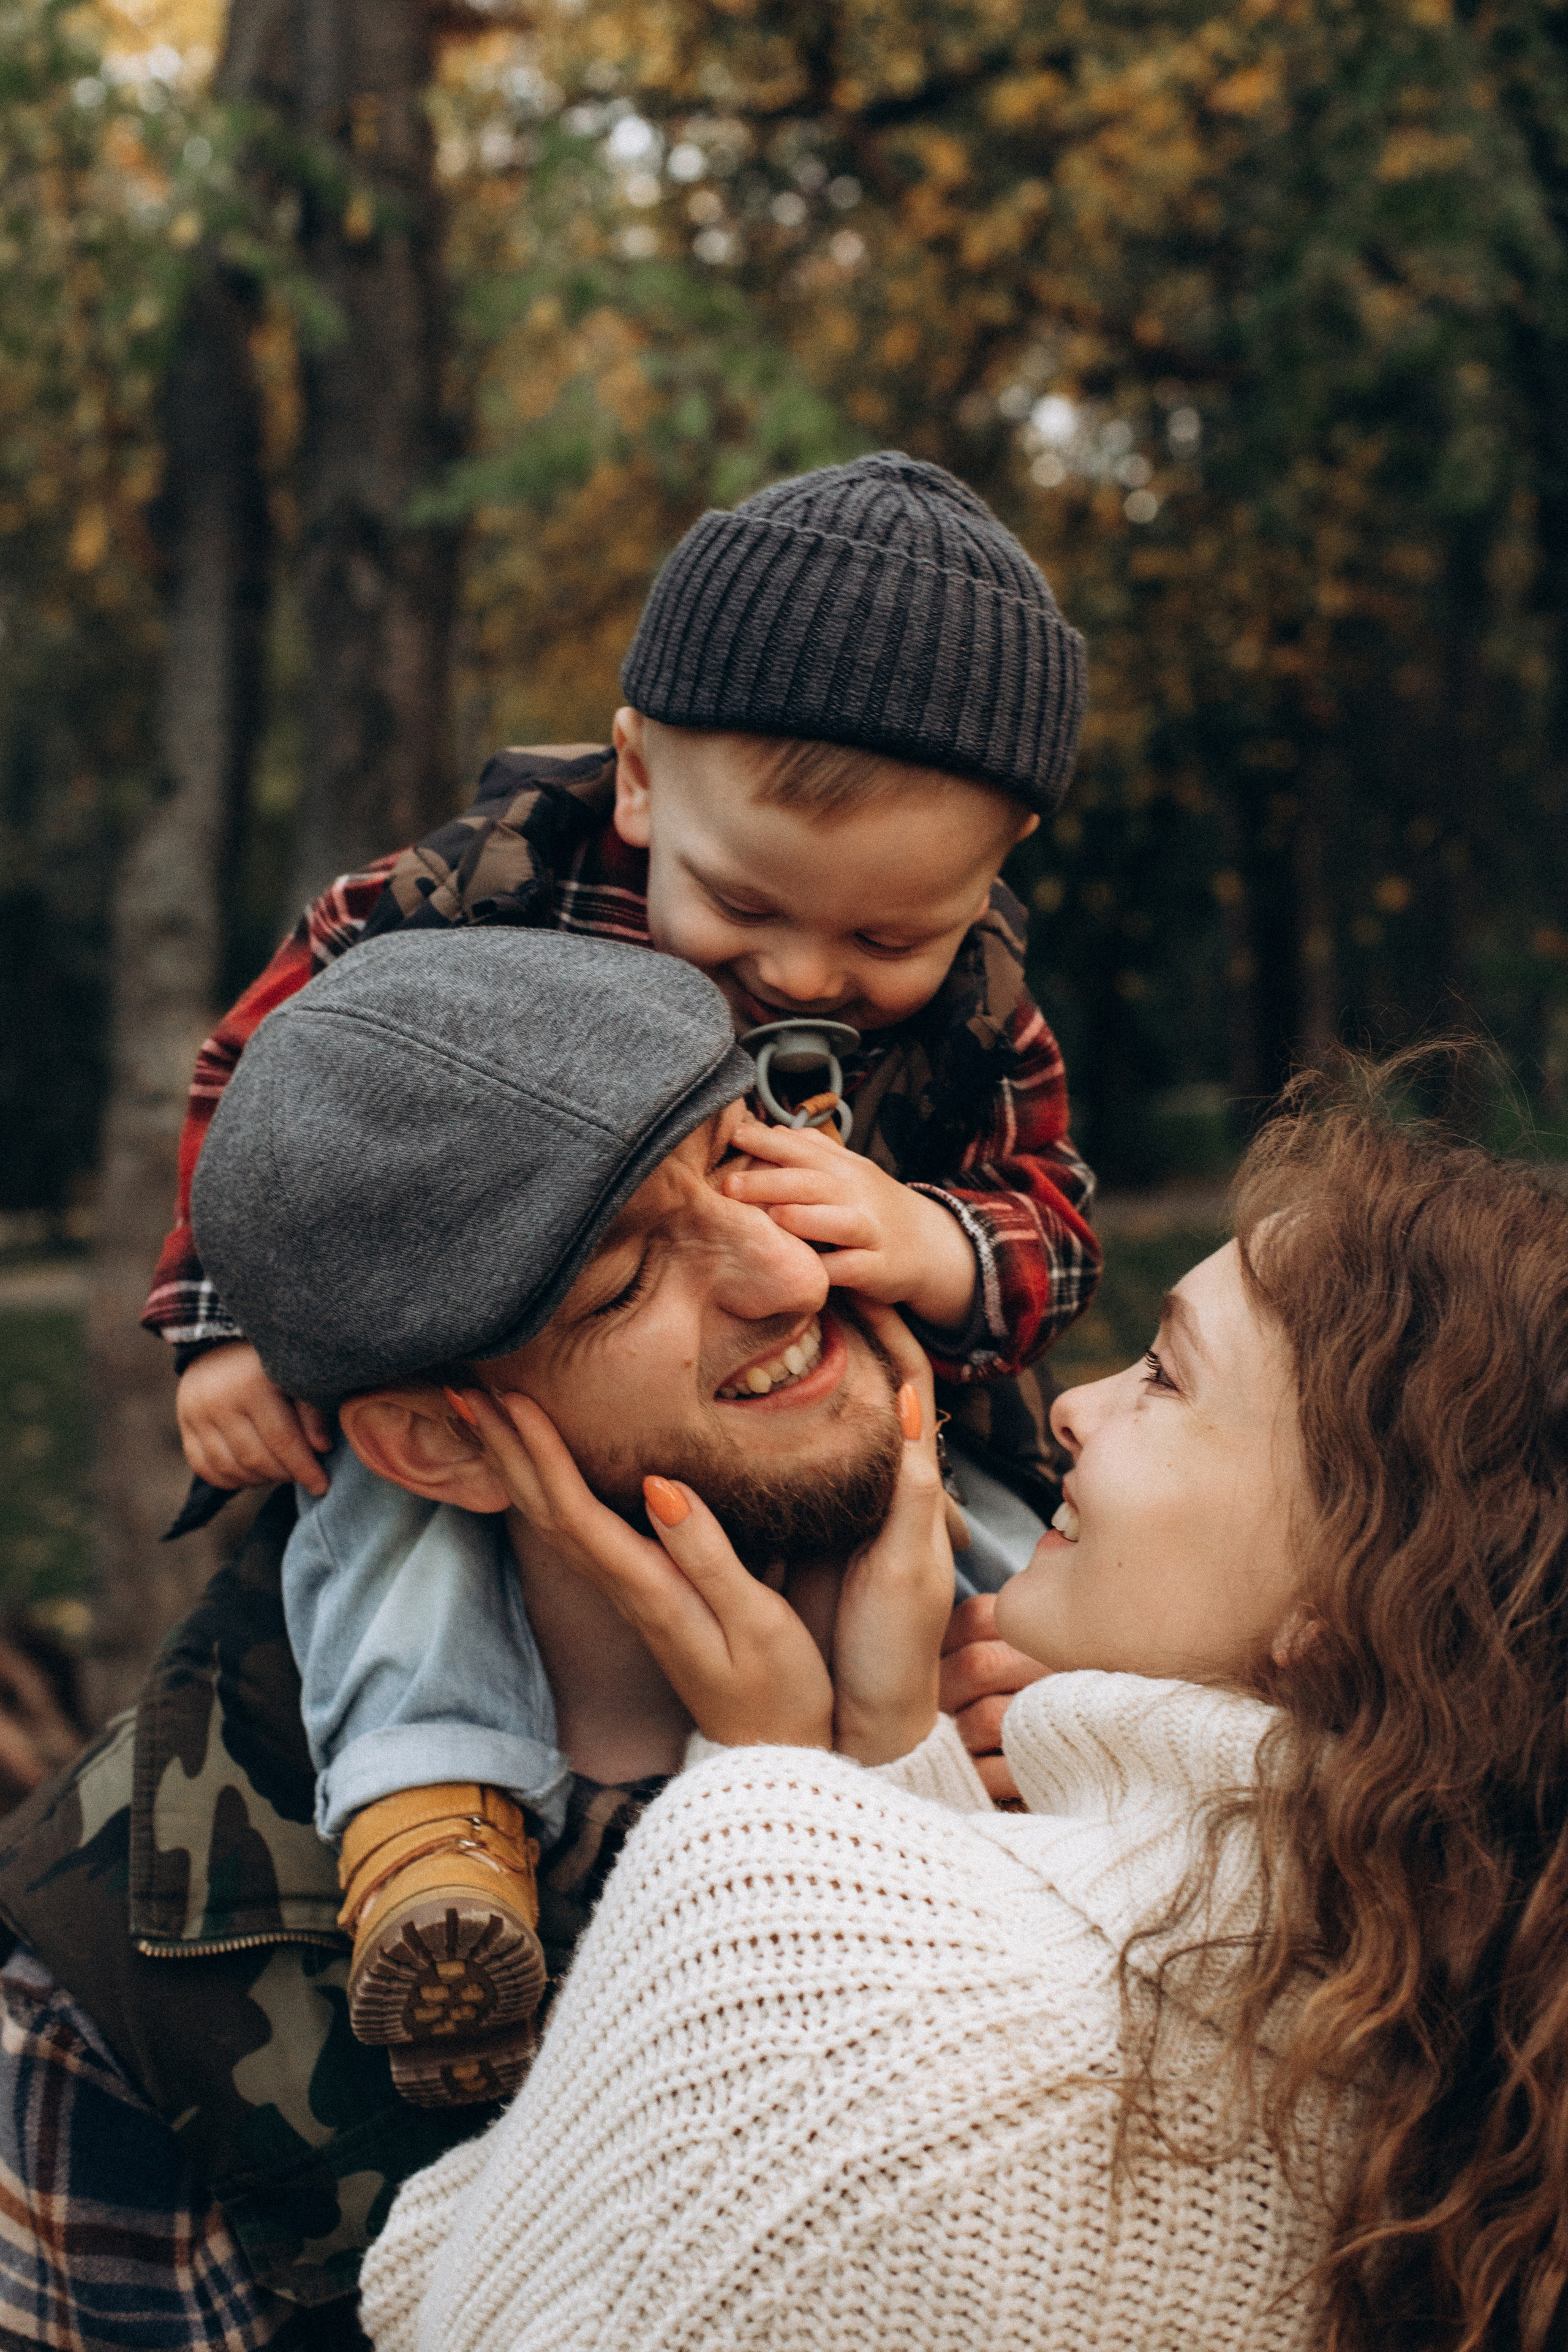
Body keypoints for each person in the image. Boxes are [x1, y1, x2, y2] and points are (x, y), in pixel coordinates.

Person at [146, 451, 1101, 2094]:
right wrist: (228, 1323)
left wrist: (938, 1240)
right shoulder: (479, 888)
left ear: (994, 866)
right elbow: (269, 1089)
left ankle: (1067, 1760)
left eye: (889, 944)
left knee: (1029, 1563)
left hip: (882, 1383)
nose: (810, 974)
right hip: (485, 1374)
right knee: (395, 1486)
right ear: (642, 779)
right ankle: (428, 1815)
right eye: (747, 907)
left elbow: (1055, 1214)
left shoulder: (986, 993)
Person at [361, 1066, 1568, 2352]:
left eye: (1162, 1376)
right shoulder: (1458, 2034)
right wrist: (883, 1760)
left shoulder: (778, 1922)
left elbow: (438, 2293)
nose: (1072, 1404)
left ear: (1335, 1594)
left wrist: (773, 1790)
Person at [0, 931, 1019, 2346]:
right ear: (433, 1442)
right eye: (620, 1286)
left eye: (746, 1162)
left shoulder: (1112, 1670)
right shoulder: (121, 1970)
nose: (785, 1275)